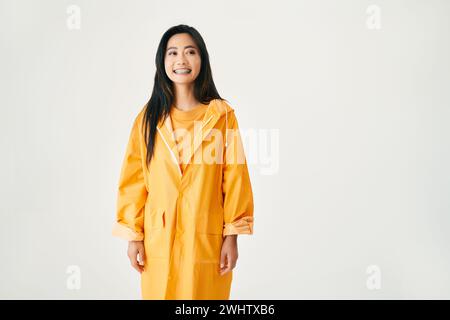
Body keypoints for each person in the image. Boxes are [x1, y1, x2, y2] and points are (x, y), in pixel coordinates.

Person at [112, 24, 254, 300]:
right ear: (162, 61)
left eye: (190, 52)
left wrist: (232, 235)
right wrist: (134, 236)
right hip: (158, 241)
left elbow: (235, 176)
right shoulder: (148, 120)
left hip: (205, 240)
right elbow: (134, 180)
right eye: (172, 52)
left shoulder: (222, 117)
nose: (181, 60)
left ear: (202, 59)